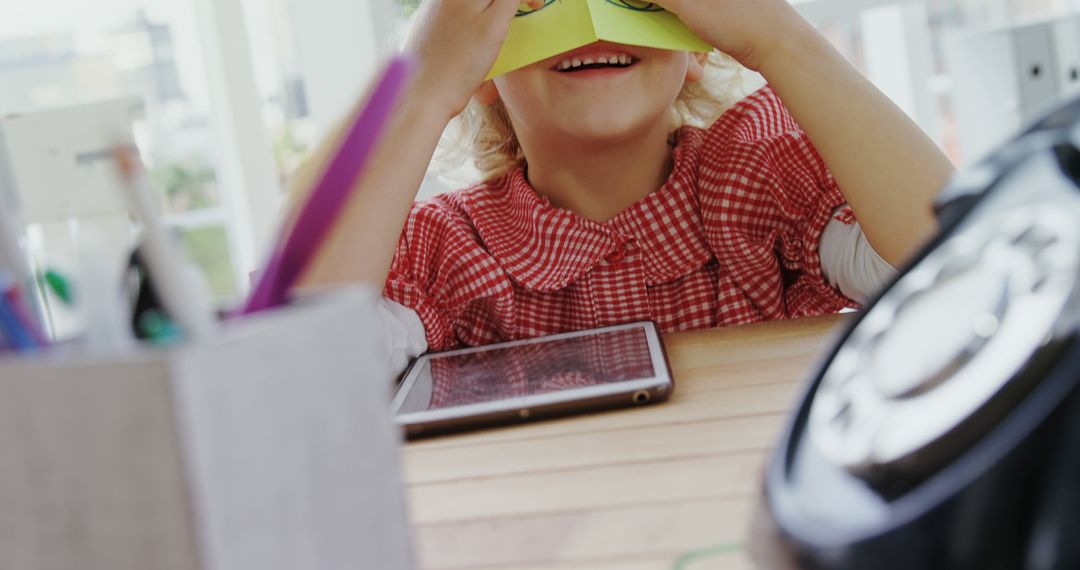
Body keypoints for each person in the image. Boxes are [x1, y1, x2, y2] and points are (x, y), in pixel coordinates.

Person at [296, 0, 956, 375]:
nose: (594, 19)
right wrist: (422, 81)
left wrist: (779, 39)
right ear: (482, 66)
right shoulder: (446, 253)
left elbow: (953, 260)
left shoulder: (761, 183)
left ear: (702, 44)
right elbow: (303, 358)